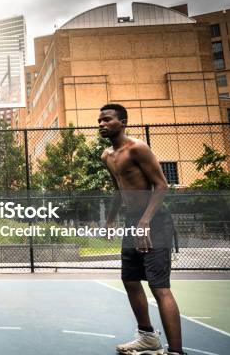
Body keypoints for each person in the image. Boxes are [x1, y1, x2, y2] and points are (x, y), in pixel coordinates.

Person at [98, 103, 184, 355]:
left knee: (159, 286)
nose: (101, 124)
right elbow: (118, 189)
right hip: (131, 221)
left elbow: (161, 185)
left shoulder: (137, 148)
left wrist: (145, 221)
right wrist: (111, 221)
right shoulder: (107, 156)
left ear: (122, 122)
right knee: (131, 280)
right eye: (99, 121)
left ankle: (176, 351)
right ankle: (147, 337)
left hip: (154, 221)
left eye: (107, 120)